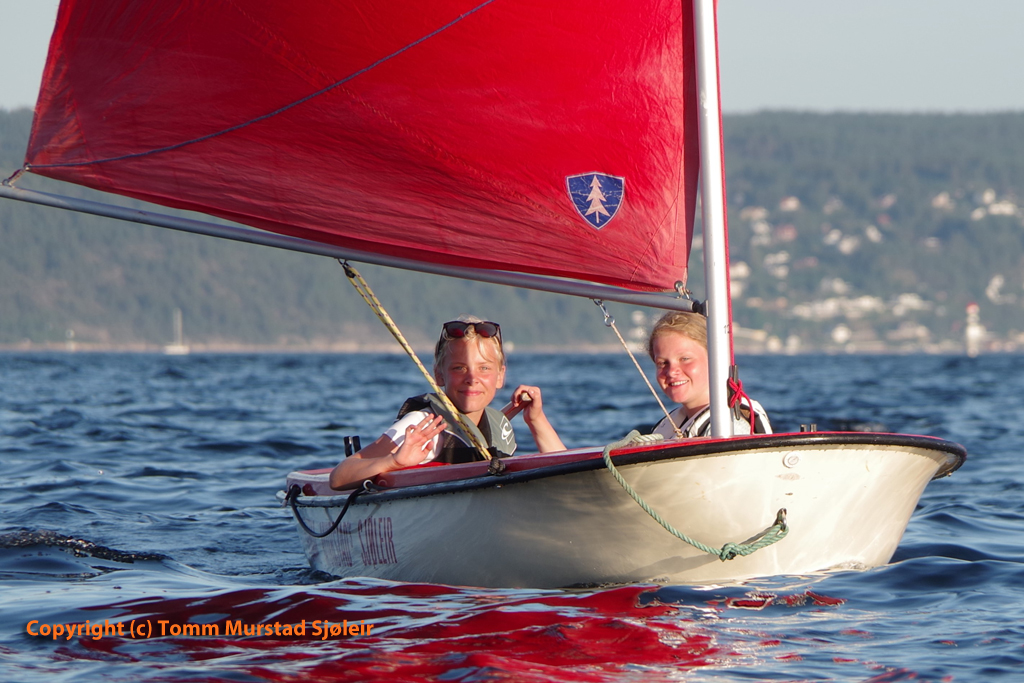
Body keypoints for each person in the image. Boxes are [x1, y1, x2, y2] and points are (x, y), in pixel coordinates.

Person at [329, 317, 565, 489]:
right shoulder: (424, 426)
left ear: (500, 376)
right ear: (439, 375)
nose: (472, 378)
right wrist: (393, 461)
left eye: (484, 368)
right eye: (459, 368)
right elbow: (339, 477)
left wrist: (535, 420)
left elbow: (564, 472)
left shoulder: (498, 425)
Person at [647, 311, 771, 439]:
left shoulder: (730, 427)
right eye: (662, 363)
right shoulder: (677, 422)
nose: (671, 371)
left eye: (685, 359)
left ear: (715, 359)